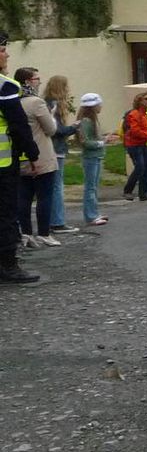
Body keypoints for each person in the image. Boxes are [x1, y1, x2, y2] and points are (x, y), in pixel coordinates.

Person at [0, 33, 42, 282]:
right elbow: (18, 124)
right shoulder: (4, 86)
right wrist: (32, 154)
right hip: (3, 163)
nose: (6, 54)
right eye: (3, 49)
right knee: (5, 214)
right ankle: (8, 265)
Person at [15, 67, 60, 247]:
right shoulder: (36, 102)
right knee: (45, 196)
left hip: (20, 155)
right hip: (41, 154)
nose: (39, 82)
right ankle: (43, 232)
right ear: (27, 81)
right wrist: (53, 115)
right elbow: (51, 129)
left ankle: (26, 233)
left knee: (24, 197)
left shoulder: (14, 101)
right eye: (36, 79)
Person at [43, 75, 80, 234]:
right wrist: (74, 127)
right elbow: (56, 130)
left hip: (52, 149)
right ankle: (57, 222)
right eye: (66, 86)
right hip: (56, 150)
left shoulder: (47, 102)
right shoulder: (53, 105)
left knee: (52, 187)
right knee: (57, 187)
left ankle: (52, 221)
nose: (68, 89)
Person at [76, 93, 117, 226]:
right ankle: (91, 215)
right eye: (99, 105)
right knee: (90, 187)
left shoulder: (90, 121)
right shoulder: (86, 122)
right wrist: (102, 141)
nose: (101, 107)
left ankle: (94, 212)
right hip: (91, 157)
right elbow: (86, 142)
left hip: (95, 156)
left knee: (93, 186)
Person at [123, 93, 147, 201]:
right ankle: (128, 190)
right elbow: (135, 131)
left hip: (142, 143)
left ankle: (143, 193)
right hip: (134, 144)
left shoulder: (145, 115)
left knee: (146, 167)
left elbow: (144, 130)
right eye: (146, 99)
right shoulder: (134, 114)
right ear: (140, 101)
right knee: (140, 167)